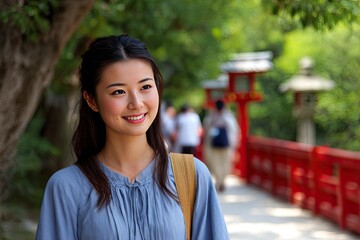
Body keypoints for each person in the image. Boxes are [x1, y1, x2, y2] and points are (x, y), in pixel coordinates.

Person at [35, 35, 229, 240]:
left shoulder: (192, 175)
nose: (136, 103)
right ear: (91, 100)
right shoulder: (66, 187)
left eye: (145, 87)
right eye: (118, 91)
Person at [203, 99, 239, 192]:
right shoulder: (228, 116)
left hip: (221, 144)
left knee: (219, 163)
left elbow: (206, 128)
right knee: (222, 163)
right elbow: (235, 130)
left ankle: (220, 181)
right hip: (220, 144)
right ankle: (220, 181)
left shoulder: (211, 116)